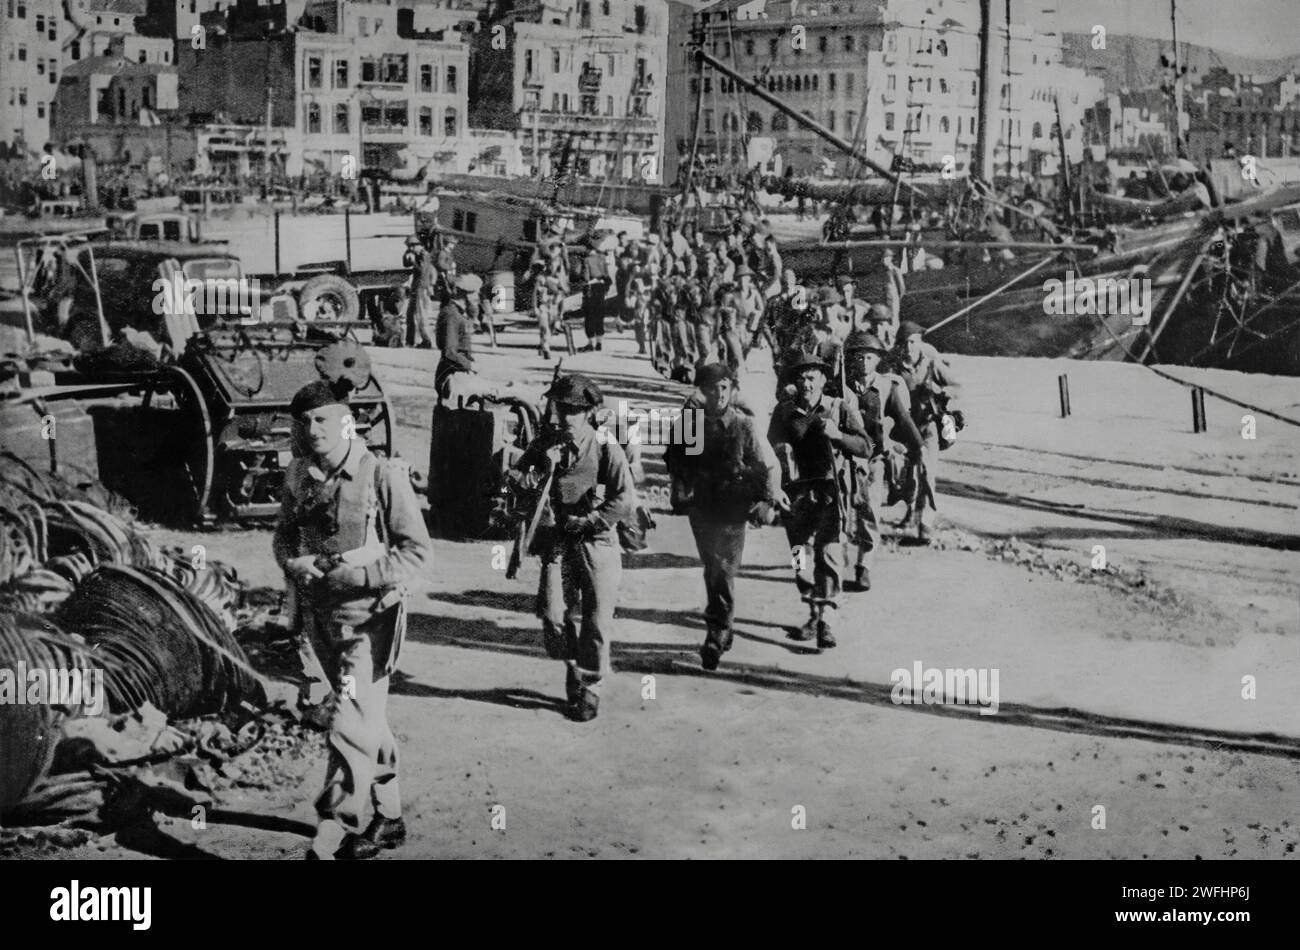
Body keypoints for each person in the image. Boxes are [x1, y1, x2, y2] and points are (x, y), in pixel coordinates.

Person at [274, 379, 432, 860]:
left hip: (371, 624)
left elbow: (416, 553)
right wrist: (291, 563)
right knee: (367, 721)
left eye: (322, 419)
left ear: (347, 421)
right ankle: (390, 816)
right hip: (319, 622)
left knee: (346, 721)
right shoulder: (300, 474)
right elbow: (283, 536)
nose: (312, 429)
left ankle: (333, 826)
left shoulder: (380, 474)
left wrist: (358, 575)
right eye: (304, 422)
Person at [511, 374, 635, 721]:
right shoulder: (545, 443)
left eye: (569, 410)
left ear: (587, 414)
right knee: (552, 616)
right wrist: (537, 472)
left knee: (596, 621)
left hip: (597, 542)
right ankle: (573, 667)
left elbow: (625, 498)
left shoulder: (605, 446)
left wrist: (593, 520)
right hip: (559, 543)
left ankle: (590, 686)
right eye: (557, 408)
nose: (560, 416)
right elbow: (516, 480)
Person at [666, 364, 785, 670]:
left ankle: (717, 629)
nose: (718, 394)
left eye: (724, 388)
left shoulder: (743, 425)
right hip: (703, 507)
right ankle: (724, 625)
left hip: (733, 506)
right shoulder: (691, 424)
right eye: (711, 388)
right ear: (701, 392)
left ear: (732, 390)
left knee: (722, 569)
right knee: (712, 567)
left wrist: (765, 500)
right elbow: (678, 463)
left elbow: (761, 465)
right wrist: (680, 489)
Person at [767, 351, 872, 649]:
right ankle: (813, 609)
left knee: (828, 552)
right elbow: (769, 451)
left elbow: (866, 446)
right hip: (796, 495)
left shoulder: (839, 408)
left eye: (812, 377)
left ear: (824, 380)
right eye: (800, 378)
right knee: (799, 556)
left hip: (830, 492)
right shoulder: (784, 412)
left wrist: (838, 434)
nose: (806, 384)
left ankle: (826, 616)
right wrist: (776, 485)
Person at [842, 331, 923, 591]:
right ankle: (835, 563)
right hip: (845, 461)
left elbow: (903, 419)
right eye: (858, 358)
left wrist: (917, 447)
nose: (863, 363)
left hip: (873, 460)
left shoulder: (887, 387)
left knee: (870, 514)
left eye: (869, 357)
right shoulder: (840, 387)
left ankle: (863, 566)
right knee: (841, 515)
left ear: (877, 360)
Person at [896, 321, 958, 545]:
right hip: (904, 429)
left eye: (912, 342)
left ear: (920, 342)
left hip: (929, 425)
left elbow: (958, 387)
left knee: (928, 473)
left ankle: (926, 523)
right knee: (908, 476)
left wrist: (940, 390)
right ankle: (911, 513)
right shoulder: (895, 367)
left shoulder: (932, 364)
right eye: (903, 343)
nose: (908, 347)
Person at [435, 273, 492, 403]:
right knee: (491, 394)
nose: (478, 299)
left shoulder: (458, 314)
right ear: (467, 295)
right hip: (450, 377)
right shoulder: (451, 315)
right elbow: (449, 352)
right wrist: (470, 365)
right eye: (476, 294)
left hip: (458, 372)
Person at [403, 234, 439, 349]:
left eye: (412, 246)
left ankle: (427, 340)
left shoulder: (424, 255)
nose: (411, 249)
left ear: (419, 245)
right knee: (410, 315)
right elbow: (405, 264)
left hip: (422, 287)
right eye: (409, 247)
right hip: (416, 287)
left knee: (421, 315)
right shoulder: (418, 254)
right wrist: (407, 257)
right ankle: (410, 340)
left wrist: (413, 262)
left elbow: (423, 272)